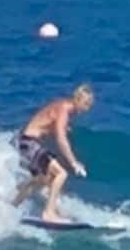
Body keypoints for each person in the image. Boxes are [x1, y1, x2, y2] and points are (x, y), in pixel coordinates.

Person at [13, 83, 95, 222]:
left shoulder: (64, 107)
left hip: (26, 142)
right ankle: (49, 213)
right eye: (86, 103)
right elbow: (61, 138)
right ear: (77, 99)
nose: (88, 107)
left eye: (90, 104)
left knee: (43, 180)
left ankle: (13, 206)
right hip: (29, 142)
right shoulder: (64, 108)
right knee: (61, 174)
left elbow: (46, 123)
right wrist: (73, 162)